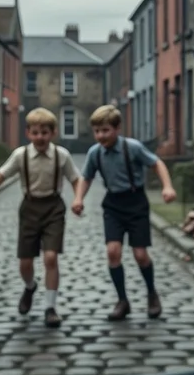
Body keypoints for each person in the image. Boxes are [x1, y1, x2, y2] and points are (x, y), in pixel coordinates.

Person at [0, 107, 80, 328]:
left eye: (44, 132)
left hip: (53, 208)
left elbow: (76, 179)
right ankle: (30, 286)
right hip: (29, 208)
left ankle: (50, 308)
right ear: (28, 133)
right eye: (35, 133)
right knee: (25, 262)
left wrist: (78, 199)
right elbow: (1, 175)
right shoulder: (20, 155)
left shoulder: (61, 156)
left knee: (50, 257)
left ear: (53, 133)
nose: (39, 137)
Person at [72, 105, 177, 320]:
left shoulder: (133, 147)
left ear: (117, 128)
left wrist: (167, 186)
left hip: (136, 201)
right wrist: (78, 198)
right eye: (97, 131)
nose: (101, 136)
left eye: (105, 130)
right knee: (113, 252)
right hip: (113, 204)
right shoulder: (95, 153)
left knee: (140, 254)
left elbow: (157, 163)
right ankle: (122, 300)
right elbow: (87, 177)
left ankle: (151, 293)